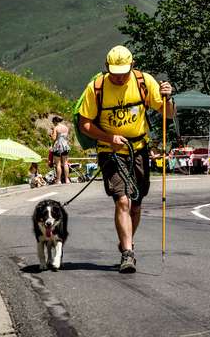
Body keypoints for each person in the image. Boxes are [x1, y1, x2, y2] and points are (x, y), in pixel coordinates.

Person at [78, 45, 176, 273]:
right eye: (115, 72)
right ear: (106, 68)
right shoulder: (96, 88)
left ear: (132, 66)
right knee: (122, 200)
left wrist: (168, 98)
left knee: (137, 203)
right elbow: (85, 124)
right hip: (109, 150)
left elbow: (168, 114)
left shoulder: (144, 82)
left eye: (124, 71)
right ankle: (128, 253)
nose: (120, 77)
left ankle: (126, 240)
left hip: (139, 149)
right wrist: (109, 138)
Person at [51, 116, 71, 184]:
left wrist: (51, 135)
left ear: (55, 121)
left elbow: (54, 138)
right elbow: (66, 137)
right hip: (65, 146)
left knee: (58, 164)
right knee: (65, 163)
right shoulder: (66, 128)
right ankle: (67, 179)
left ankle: (58, 180)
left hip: (58, 146)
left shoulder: (56, 128)